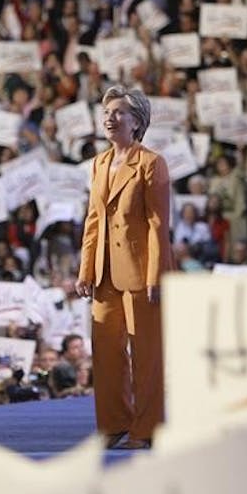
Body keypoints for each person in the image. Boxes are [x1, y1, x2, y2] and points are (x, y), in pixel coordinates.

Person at [75, 85, 172, 450]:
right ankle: (114, 424)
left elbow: (158, 224)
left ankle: (147, 430)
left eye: (118, 112)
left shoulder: (151, 163)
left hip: (141, 271)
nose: (110, 118)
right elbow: (93, 220)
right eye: (107, 112)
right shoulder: (99, 163)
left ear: (138, 122)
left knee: (145, 354)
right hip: (104, 272)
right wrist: (86, 269)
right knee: (106, 354)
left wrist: (155, 275)